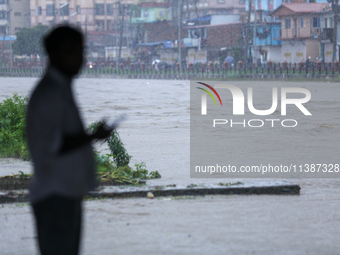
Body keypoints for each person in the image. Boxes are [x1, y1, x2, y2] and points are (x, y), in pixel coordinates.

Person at [26, 26, 113, 255]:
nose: (79, 59)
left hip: (64, 193)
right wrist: (93, 136)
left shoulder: (60, 89)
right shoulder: (50, 94)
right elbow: (56, 144)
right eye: (71, 52)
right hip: (55, 196)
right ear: (54, 54)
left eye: (81, 52)